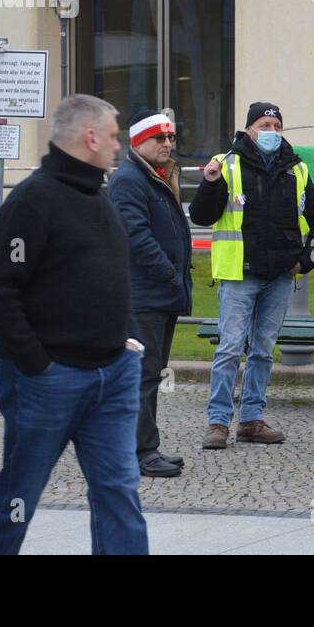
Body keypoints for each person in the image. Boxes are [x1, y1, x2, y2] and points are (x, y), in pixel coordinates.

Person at [0, 94, 148, 555]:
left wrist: (127, 337)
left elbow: (112, 275)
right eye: (113, 136)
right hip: (48, 379)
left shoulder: (99, 197)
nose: (118, 146)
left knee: (118, 491)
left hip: (113, 374)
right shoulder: (33, 201)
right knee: (19, 493)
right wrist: (36, 363)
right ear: (90, 137)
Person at [189, 102, 314, 450]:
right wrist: (209, 183)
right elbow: (202, 216)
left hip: (279, 275)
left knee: (262, 351)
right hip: (238, 273)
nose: (272, 132)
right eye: (265, 125)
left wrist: (304, 263)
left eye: (278, 126)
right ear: (249, 129)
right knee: (230, 349)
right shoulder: (226, 165)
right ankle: (218, 422)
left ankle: (251, 419)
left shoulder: (298, 168)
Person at [107, 111, 193, 478]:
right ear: (138, 143)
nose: (168, 144)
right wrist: (168, 273)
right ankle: (140, 452)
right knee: (141, 376)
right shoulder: (130, 179)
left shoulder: (152, 176)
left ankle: (144, 447)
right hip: (144, 295)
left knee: (151, 373)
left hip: (158, 292)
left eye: (171, 138)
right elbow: (136, 235)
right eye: (159, 139)